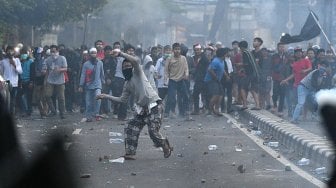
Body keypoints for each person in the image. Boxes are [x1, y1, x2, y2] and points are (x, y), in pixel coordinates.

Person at [97, 48, 173, 160]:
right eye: (124, 67)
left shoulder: (138, 73)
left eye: (128, 66)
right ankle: (130, 152)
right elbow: (122, 100)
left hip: (154, 105)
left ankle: (165, 145)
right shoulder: (127, 84)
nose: (127, 68)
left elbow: (136, 61)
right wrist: (106, 96)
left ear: (132, 67)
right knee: (130, 126)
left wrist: (121, 54)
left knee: (153, 132)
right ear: (122, 70)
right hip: (142, 109)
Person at [164, 43, 191, 120]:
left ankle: (187, 113)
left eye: (178, 49)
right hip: (172, 80)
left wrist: (186, 75)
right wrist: (166, 79)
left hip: (181, 80)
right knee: (171, 97)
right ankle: (168, 113)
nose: (177, 51)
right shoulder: (169, 58)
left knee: (186, 96)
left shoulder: (183, 58)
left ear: (180, 50)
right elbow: (166, 70)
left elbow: (186, 68)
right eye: (176, 49)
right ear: (173, 50)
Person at [79, 48, 105, 122]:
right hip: (88, 85)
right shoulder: (86, 64)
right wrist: (81, 85)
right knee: (88, 102)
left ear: (97, 53)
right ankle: (88, 116)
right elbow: (83, 75)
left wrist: (103, 81)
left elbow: (102, 73)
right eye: (92, 53)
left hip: (98, 85)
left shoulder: (100, 63)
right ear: (89, 54)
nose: (93, 54)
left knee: (98, 99)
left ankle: (96, 114)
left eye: (95, 53)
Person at [44, 45, 68, 119]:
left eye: (54, 51)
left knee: (61, 98)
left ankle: (62, 113)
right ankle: (53, 110)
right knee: (47, 95)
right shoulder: (48, 59)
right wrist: (45, 76)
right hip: (50, 80)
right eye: (51, 52)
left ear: (58, 51)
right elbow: (46, 69)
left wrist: (59, 70)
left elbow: (66, 68)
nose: (53, 53)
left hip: (60, 80)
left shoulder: (62, 58)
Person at [0, 46, 23, 116]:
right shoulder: (2, 62)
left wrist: (14, 64)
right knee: (6, 100)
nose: (10, 52)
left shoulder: (17, 60)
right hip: (6, 83)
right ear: (6, 52)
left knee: (13, 100)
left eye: (11, 51)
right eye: (8, 51)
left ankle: (12, 114)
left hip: (14, 83)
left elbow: (20, 72)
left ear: (14, 52)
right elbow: (1, 73)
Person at [204, 48, 225, 116]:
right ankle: (210, 109)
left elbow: (222, 70)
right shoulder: (216, 61)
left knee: (221, 94)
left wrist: (226, 76)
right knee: (216, 95)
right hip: (211, 80)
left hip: (217, 80)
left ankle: (216, 109)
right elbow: (210, 70)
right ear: (223, 54)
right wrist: (215, 77)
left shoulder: (222, 61)